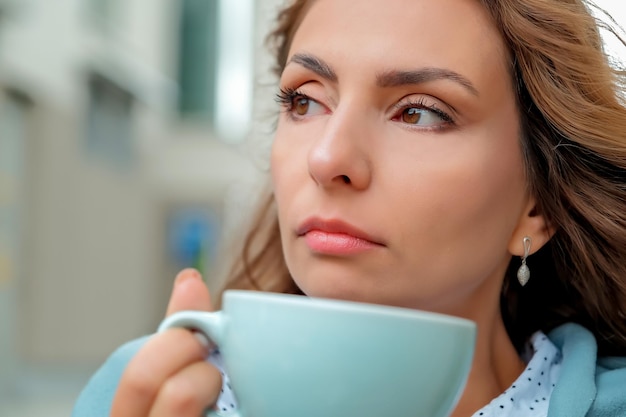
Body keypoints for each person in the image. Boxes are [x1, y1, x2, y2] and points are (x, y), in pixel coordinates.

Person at [72, 0, 626, 416]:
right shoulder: (142, 395)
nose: (327, 157)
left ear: (537, 208)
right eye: (305, 100)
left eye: (419, 113)